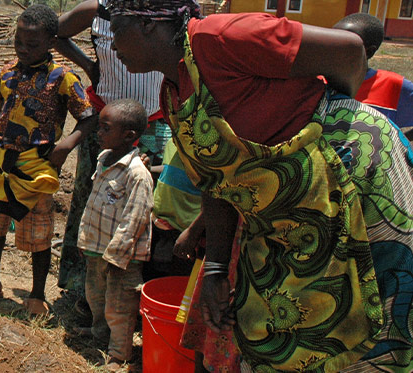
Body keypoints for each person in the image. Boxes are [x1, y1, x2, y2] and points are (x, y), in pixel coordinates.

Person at [105, 0, 413, 370]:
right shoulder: (173, 93)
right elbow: (216, 180)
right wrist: (217, 268)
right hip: (282, 209)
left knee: (367, 311)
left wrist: (325, 122)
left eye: (117, 29)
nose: (112, 45)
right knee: (273, 325)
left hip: (351, 174)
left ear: (148, 25)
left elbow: (349, 51)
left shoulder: (221, 37)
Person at [0, 4, 97, 316]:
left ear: (51, 42)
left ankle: (35, 294)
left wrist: (66, 147)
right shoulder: (6, 73)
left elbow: (88, 118)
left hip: (36, 168)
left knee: (37, 232)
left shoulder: (63, 78)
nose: (23, 49)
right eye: (18, 42)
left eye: (32, 45)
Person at [55, 0, 168, 302]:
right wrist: (90, 66)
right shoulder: (97, 9)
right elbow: (53, 32)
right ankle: (83, 286)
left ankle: (139, 288)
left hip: (156, 121)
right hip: (106, 120)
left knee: (148, 203)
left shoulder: (165, 8)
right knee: (93, 197)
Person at [74, 99, 152, 369]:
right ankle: (99, 334)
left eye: (105, 128)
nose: (99, 133)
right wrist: (85, 237)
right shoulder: (103, 159)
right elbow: (94, 203)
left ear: (128, 135)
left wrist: (117, 254)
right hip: (97, 247)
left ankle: (120, 353)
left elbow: (136, 217)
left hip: (122, 257)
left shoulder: (137, 174)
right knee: (96, 296)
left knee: (120, 306)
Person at [334, 13, 413, 130]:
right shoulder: (319, 81)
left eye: (345, 45)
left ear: (369, 52)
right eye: (331, 41)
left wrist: (400, 143)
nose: (334, 49)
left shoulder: (392, 86)